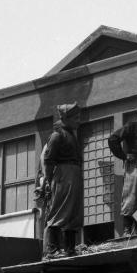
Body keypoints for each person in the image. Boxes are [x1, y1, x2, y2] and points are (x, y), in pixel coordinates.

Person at [43, 102, 83, 258]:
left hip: (74, 172)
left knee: (74, 210)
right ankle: (52, 250)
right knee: (60, 209)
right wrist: (48, 180)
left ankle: (70, 249)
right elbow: (48, 160)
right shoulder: (57, 135)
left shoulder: (72, 134)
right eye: (75, 117)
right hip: (63, 173)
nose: (78, 121)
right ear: (66, 118)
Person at [108, 108, 137, 235]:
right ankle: (127, 230)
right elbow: (113, 139)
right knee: (131, 196)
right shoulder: (132, 126)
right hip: (135, 163)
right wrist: (124, 156)